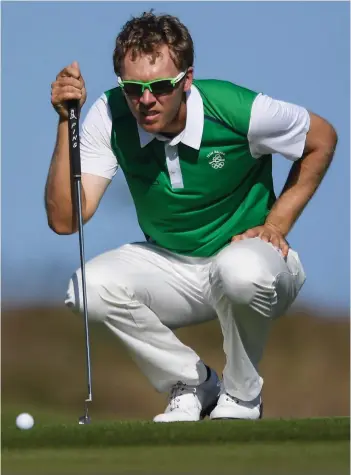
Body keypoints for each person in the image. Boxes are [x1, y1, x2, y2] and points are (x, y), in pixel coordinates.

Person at [46, 11, 337, 422]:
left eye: (161, 87)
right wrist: (65, 122)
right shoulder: (110, 115)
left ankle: (242, 396)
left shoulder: (236, 109)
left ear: (186, 80)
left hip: (257, 262)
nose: (146, 100)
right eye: (133, 89)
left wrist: (276, 224)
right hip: (173, 266)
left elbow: (322, 139)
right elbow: (66, 219)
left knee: (239, 270)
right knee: (86, 287)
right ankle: (193, 384)